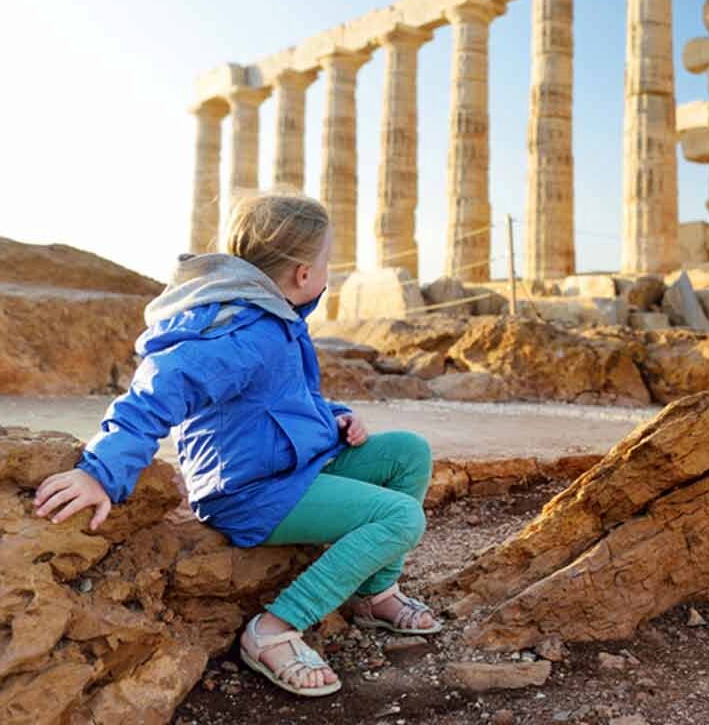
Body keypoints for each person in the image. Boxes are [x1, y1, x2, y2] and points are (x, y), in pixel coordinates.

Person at [33, 193, 439, 697]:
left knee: (409, 452)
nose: (328, 270)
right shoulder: (242, 330)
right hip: (249, 493)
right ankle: (273, 631)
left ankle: (374, 593)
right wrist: (99, 470)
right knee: (401, 518)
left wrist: (334, 418)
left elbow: (282, 400)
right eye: (326, 260)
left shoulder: (274, 317)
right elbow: (159, 390)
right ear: (301, 274)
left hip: (292, 469)